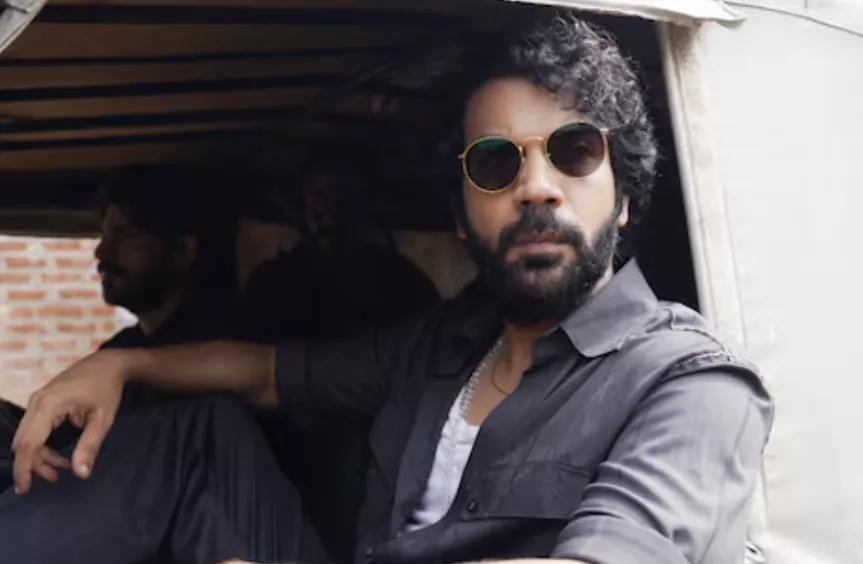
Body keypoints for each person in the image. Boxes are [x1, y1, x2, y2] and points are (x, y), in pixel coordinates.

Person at [1, 11, 773, 564]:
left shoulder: (690, 383)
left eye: (573, 152)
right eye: (496, 162)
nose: (536, 187)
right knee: (200, 434)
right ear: (461, 213)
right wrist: (120, 364)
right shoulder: (441, 348)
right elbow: (268, 372)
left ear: (623, 195)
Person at [0, 165, 240, 491]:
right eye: (105, 234)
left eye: (126, 235)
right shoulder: (126, 345)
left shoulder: (210, 358)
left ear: (183, 250)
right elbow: (60, 442)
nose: (102, 252)